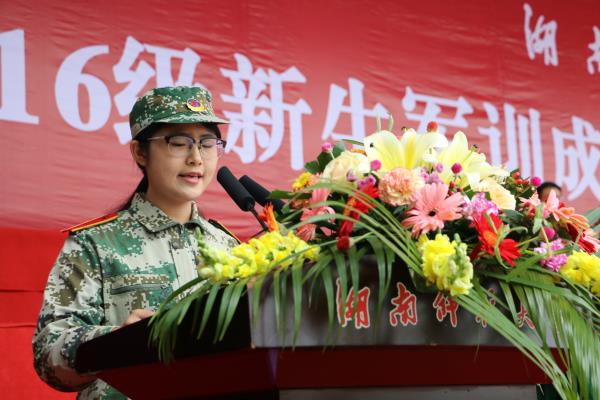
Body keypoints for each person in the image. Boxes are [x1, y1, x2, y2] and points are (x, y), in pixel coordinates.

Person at [33, 86, 239, 399]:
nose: (196, 158)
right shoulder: (95, 243)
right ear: (140, 152)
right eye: (178, 143)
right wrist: (118, 341)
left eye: (207, 143)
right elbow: (47, 352)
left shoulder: (230, 248)